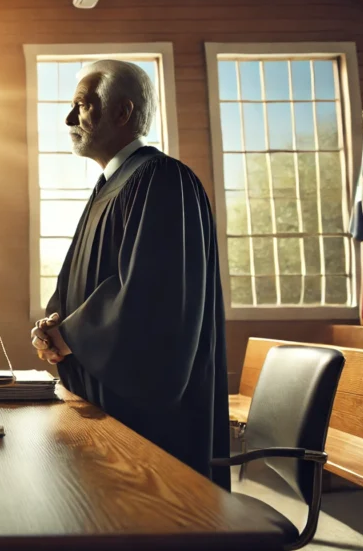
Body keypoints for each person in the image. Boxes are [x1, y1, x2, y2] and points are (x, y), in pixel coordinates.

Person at [30, 60, 231, 490]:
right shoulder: (109, 185)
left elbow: (151, 300)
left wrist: (74, 333)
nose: (68, 119)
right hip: (96, 400)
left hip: (148, 422)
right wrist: (53, 326)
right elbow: (78, 283)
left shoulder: (162, 180)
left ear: (122, 113)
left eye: (81, 105)